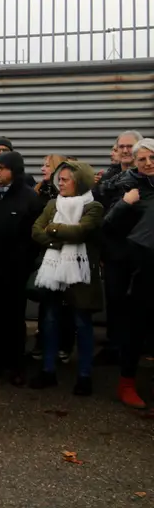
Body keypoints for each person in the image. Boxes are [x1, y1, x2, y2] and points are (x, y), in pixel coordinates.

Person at [30, 161, 103, 395]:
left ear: (79, 181)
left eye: (65, 179)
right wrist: (58, 239)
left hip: (80, 273)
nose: (59, 183)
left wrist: (53, 229)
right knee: (50, 321)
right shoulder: (53, 204)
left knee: (82, 324)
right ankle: (48, 371)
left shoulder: (94, 207)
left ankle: (84, 376)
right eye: (58, 179)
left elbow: (81, 231)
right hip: (54, 273)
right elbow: (36, 231)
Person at [0, 150, 41, 385]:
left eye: (1, 167)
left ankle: (15, 366)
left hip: (15, 270)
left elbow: (34, 236)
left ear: (15, 170)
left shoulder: (29, 198)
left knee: (13, 319)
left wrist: (25, 261)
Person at [105, 138, 154, 408]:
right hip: (141, 268)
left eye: (152, 158)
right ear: (135, 163)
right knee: (135, 328)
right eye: (142, 159)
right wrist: (125, 203)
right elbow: (108, 226)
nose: (148, 163)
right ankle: (126, 384)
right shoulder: (130, 188)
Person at [94, 130, 144, 365]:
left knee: (139, 301)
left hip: (142, 251)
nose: (125, 150)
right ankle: (114, 346)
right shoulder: (107, 180)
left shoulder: (147, 178)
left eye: (129, 146)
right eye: (121, 146)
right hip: (114, 252)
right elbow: (99, 216)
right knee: (114, 299)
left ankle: (137, 346)